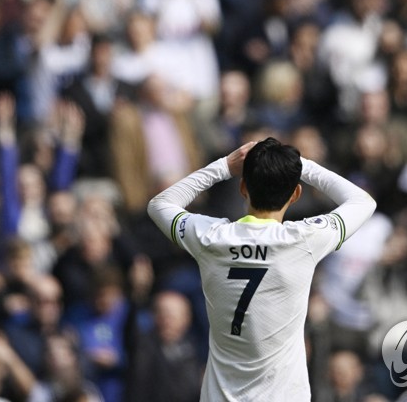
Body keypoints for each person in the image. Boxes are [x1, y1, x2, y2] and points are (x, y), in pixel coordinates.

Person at [146, 138, 376, 400]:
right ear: (296, 194)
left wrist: (223, 167)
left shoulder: (210, 237)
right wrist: (302, 166)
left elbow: (160, 204)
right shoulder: (304, 240)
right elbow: (362, 201)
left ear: (243, 187)